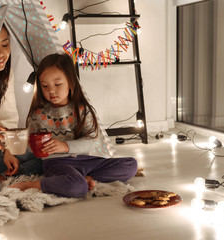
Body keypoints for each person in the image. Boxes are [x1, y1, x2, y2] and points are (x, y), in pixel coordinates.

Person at [10, 53, 137, 198]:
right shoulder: (37, 114)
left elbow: (91, 141)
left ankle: (85, 179)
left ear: (70, 82)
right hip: (56, 163)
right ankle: (33, 185)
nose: (51, 90)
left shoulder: (83, 110)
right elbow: (32, 147)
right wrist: (27, 146)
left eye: (57, 84)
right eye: (45, 86)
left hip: (86, 161)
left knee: (130, 165)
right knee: (76, 187)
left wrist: (65, 146)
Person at [0, 25, 42, 201]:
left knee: (44, 155)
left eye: (5, 45)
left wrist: (9, 150)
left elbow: (8, 117)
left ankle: (4, 176)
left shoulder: (4, 74)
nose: (0, 54)